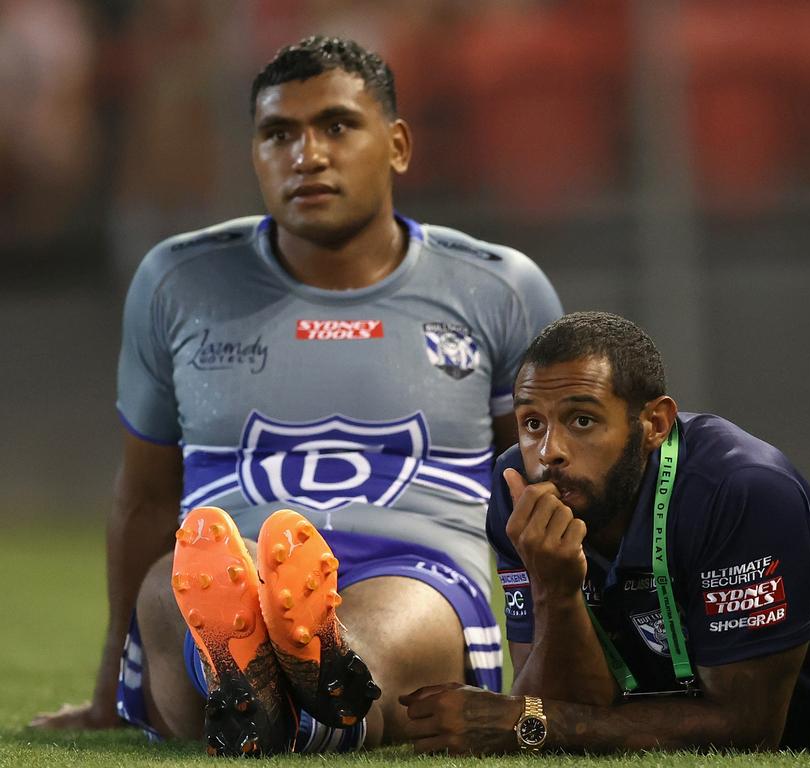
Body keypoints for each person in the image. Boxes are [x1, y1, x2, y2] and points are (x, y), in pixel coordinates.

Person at [29, 36, 562, 756]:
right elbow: (146, 498)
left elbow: (542, 494)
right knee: (173, 583)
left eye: (337, 126)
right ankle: (286, 690)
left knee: (384, 621)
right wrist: (106, 694)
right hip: (227, 558)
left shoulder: (498, 289)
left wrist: (551, 667)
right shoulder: (179, 282)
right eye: (279, 134)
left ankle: (282, 686)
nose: (306, 155)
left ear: (398, 145)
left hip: (415, 565)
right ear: (254, 154)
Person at [399, 311, 810, 760]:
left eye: (582, 421)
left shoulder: (744, 489)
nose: (549, 452)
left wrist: (528, 726)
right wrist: (556, 592)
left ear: (654, 424)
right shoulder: (516, 489)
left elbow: (748, 731)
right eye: (532, 423)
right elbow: (569, 701)